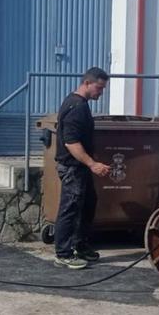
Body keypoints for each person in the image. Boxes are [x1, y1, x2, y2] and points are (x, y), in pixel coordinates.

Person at [53, 67, 111, 269]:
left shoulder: (80, 104)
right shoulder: (76, 107)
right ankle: (63, 253)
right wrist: (93, 164)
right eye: (99, 87)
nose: (101, 92)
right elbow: (71, 142)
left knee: (87, 204)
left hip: (79, 168)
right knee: (70, 208)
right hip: (73, 168)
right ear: (87, 83)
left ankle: (80, 245)